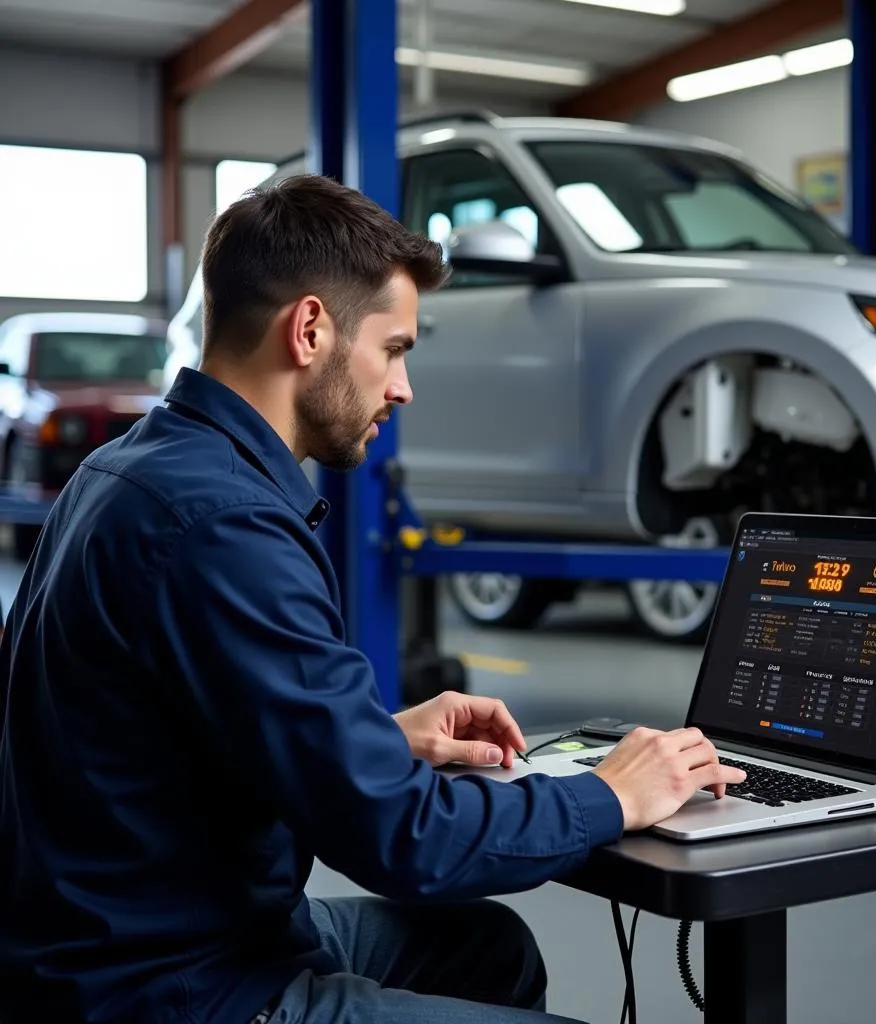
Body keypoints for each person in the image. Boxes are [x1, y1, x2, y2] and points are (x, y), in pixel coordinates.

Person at [0, 175, 745, 1024]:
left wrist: (371, 740)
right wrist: (614, 793)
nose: (403, 388)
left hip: (119, 930)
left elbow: (152, 728)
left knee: (488, 949)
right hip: (170, 983)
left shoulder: (134, 468)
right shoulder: (225, 524)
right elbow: (403, 840)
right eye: (394, 350)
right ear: (311, 329)